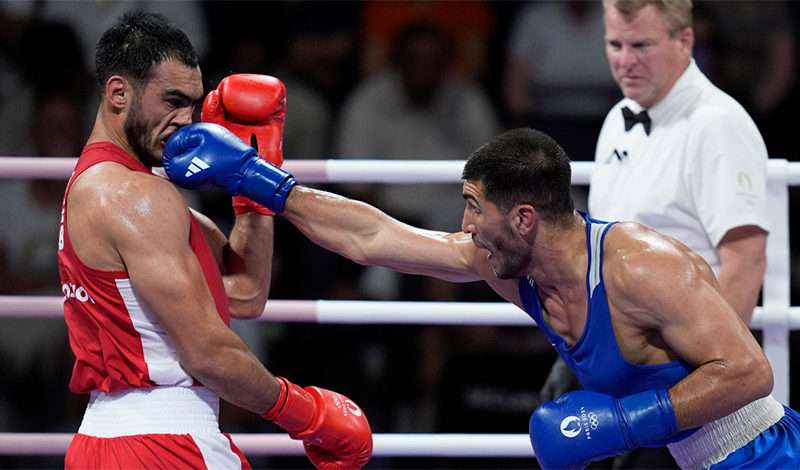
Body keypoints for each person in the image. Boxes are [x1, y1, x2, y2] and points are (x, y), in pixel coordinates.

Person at [164, 123, 800, 470]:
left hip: (764, 454)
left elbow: (751, 372)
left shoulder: (642, 266)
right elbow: (373, 236)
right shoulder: (506, 266)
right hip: (691, 457)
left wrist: (624, 424)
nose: (465, 226)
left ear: (523, 218)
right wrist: (261, 182)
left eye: (474, 207)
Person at [58, 12, 372, 470]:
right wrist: (307, 414)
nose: (185, 121)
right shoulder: (136, 196)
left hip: (106, 442)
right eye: (172, 100)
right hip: (164, 444)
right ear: (118, 93)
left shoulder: (105, 186)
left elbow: (244, 293)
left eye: (193, 104)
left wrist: (254, 178)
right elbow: (207, 352)